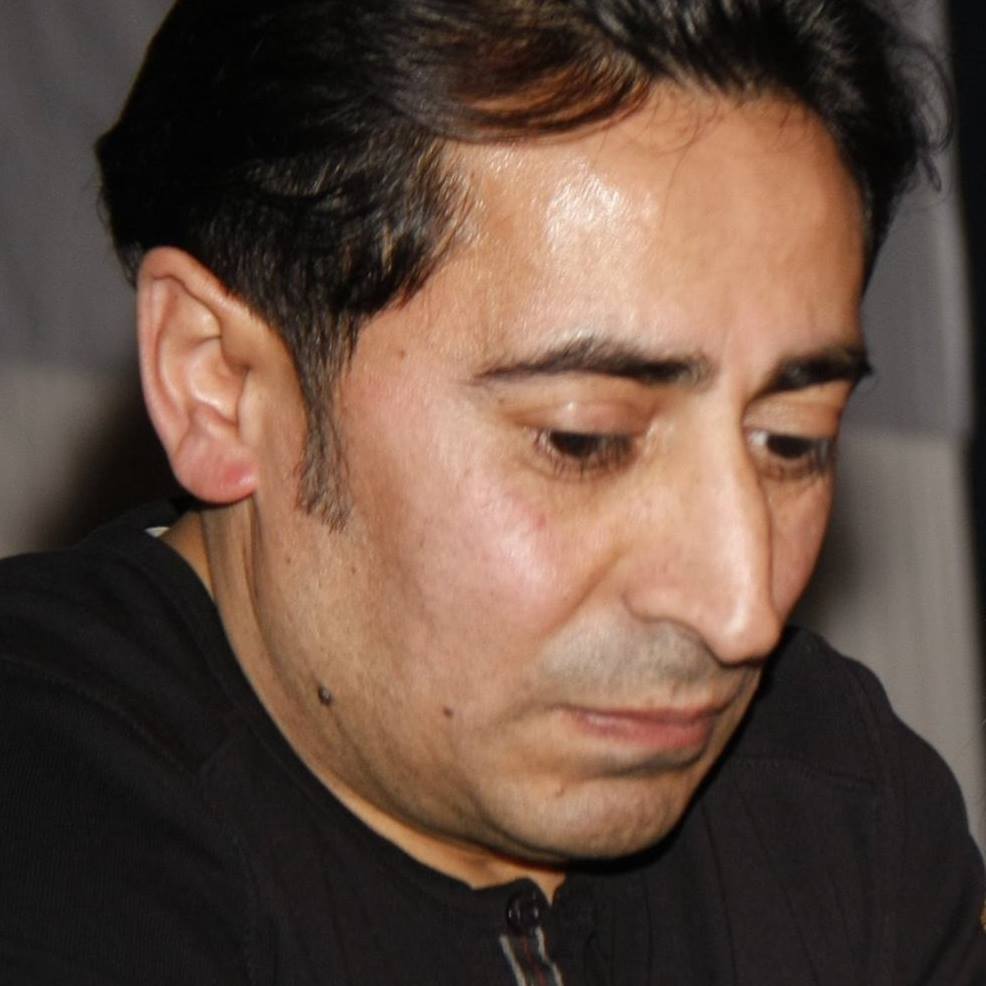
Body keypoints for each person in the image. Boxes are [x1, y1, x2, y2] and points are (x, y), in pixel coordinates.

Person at [1, 0, 984, 982]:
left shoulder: (842, 813)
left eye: (790, 441)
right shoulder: (51, 830)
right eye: (584, 440)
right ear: (219, 384)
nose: (741, 610)